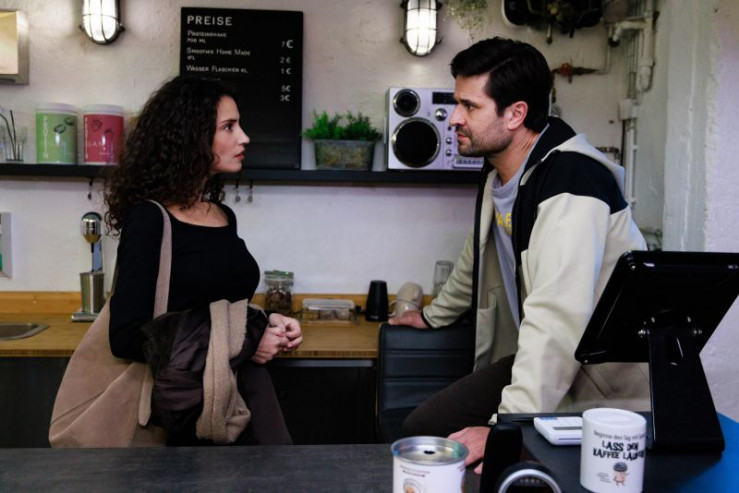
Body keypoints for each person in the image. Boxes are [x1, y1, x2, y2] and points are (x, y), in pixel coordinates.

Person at [389, 37, 650, 473]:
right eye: (456, 103)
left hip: (600, 381)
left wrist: (506, 428)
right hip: (548, 356)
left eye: (469, 106)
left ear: (515, 114)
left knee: (492, 461)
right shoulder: (501, 174)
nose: (454, 118)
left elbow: (557, 316)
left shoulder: (571, 180)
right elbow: (477, 254)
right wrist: (433, 316)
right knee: (426, 428)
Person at [104, 74, 303, 445]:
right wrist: (245, 337)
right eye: (229, 127)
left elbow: (219, 305)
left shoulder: (223, 215)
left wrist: (265, 321)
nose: (244, 138)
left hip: (235, 397)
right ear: (191, 136)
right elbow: (126, 336)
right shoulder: (150, 218)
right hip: (179, 414)